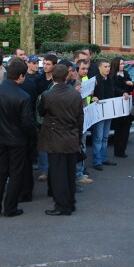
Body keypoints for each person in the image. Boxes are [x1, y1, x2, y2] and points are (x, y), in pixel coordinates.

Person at [0, 58, 35, 218]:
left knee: (0, 172)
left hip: (0, 138)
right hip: (17, 140)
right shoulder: (23, 96)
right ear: (21, 76)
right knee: (15, 174)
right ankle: (10, 208)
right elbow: (27, 123)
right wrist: (32, 137)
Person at [38, 64, 84, 216]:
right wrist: (79, 137)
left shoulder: (48, 96)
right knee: (70, 174)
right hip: (71, 137)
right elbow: (80, 117)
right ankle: (70, 202)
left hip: (55, 138)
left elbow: (41, 112)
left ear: (52, 76)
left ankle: (62, 205)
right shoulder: (75, 95)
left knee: (58, 174)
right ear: (66, 77)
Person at [90, 59, 122, 171]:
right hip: (99, 113)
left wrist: (124, 93)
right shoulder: (95, 80)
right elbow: (89, 95)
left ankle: (104, 158)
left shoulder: (109, 79)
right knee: (98, 138)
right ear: (99, 68)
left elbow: (114, 90)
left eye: (108, 66)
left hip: (108, 111)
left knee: (104, 137)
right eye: (105, 66)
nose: (108, 68)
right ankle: (97, 161)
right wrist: (93, 98)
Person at [109, 56, 134, 158]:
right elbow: (113, 88)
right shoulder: (112, 75)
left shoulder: (126, 73)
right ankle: (117, 150)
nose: (123, 66)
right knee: (118, 128)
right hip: (117, 103)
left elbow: (131, 86)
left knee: (126, 127)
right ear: (116, 65)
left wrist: (131, 84)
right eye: (121, 64)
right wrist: (123, 91)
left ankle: (122, 150)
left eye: (123, 64)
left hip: (127, 103)